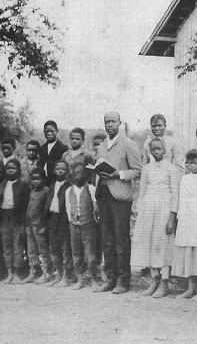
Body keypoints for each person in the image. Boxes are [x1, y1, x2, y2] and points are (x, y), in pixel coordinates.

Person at [94, 112, 142, 294]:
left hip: (120, 197)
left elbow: (138, 171)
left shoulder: (128, 144)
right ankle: (110, 279)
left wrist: (118, 174)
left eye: (113, 122)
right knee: (107, 240)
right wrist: (97, 199)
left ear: (120, 123)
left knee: (121, 240)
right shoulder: (102, 146)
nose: (110, 125)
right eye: (107, 122)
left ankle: (123, 281)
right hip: (104, 195)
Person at [131, 138, 182, 298]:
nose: (157, 152)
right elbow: (142, 191)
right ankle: (154, 281)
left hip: (164, 208)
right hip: (148, 208)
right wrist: (139, 210)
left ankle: (165, 283)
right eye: (153, 149)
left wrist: (172, 216)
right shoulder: (147, 169)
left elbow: (175, 194)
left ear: (165, 150)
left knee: (163, 244)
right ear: (149, 151)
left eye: (159, 149)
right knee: (150, 243)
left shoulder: (172, 169)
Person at [171, 149, 197, 300]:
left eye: (195, 163)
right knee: (189, 256)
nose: (191, 166)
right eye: (188, 163)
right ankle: (190, 288)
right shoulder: (184, 179)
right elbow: (182, 201)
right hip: (186, 223)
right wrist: (179, 221)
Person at [66, 162, 101, 291]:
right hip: (74, 225)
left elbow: (95, 207)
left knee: (90, 253)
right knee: (76, 252)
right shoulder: (68, 191)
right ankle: (80, 279)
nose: (78, 176)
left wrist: (92, 221)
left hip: (88, 225)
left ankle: (93, 279)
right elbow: (68, 208)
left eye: (81, 173)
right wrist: (73, 222)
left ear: (86, 175)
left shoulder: (91, 189)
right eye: (75, 173)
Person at [0, 159, 30, 284]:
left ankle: (18, 274)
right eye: (8, 168)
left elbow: (25, 206)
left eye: (13, 168)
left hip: (17, 218)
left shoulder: (23, 185)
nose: (10, 170)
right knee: (7, 247)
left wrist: (23, 222)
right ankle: (9, 273)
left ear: (18, 170)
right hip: (5, 217)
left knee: (18, 247)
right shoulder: (3, 184)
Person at [45, 160, 74, 287]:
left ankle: (67, 276)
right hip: (52, 218)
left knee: (65, 248)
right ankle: (59, 273)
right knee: (54, 247)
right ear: (54, 171)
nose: (60, 171)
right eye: (58, 168)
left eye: (63, 169)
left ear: (67, 171)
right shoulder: (52, 185)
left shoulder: (69, 185)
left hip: (63, 219)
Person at [22, 169, 51, 284]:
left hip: (40, 225)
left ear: (43, 179)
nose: (35, 182)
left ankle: (47, 273)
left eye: (38, 179)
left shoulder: (46, 191)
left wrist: (44, 225)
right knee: (31, 249)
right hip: (30, 224)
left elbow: (46, 210)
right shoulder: (32, 191)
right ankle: (33, 271)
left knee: (43, 250)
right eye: (33, 179)